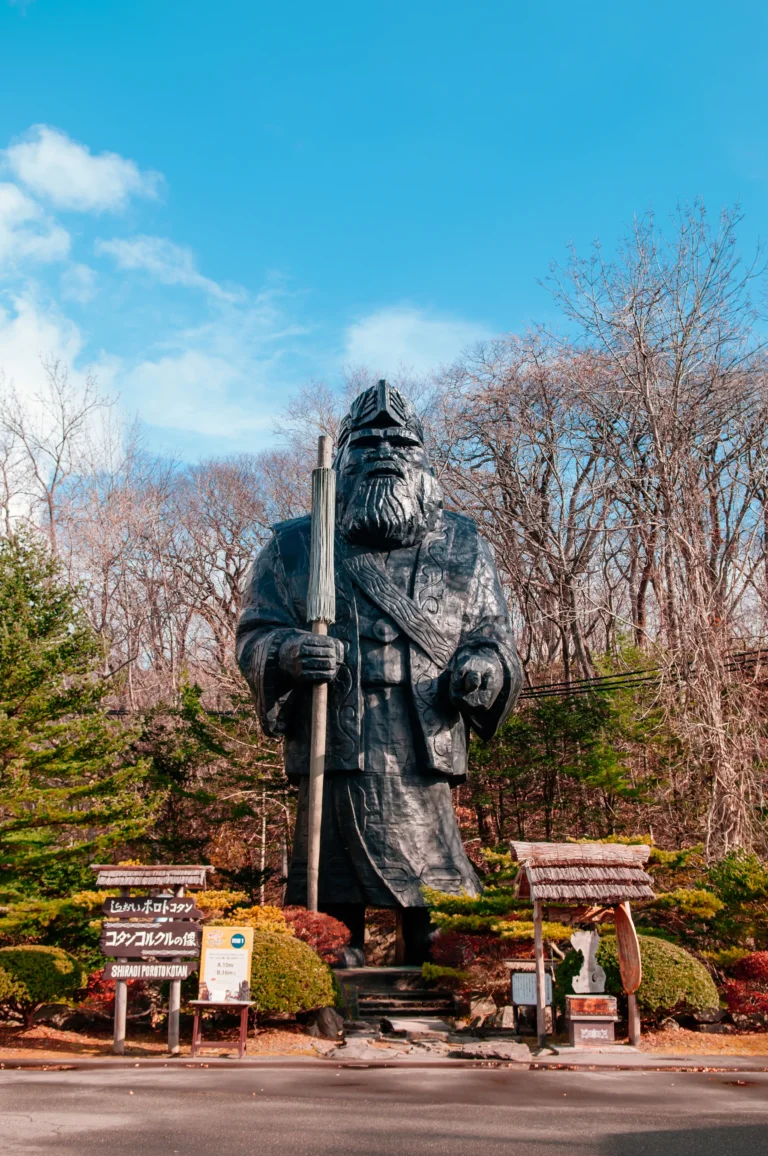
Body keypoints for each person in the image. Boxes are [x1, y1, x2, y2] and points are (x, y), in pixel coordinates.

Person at [236, 381, 521, 962]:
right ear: (342, 460)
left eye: (401, 442)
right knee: (331, 869)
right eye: (367, 442)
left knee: (433, 873)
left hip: (422, 732)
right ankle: (334, 954)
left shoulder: (464, 544)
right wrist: (289, 652)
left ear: (424, 460)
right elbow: (255, 633)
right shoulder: (295, 544)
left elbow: (492, 635)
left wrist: (482, 668)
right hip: (335, 733)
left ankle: (435, 957)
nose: (384, 452)